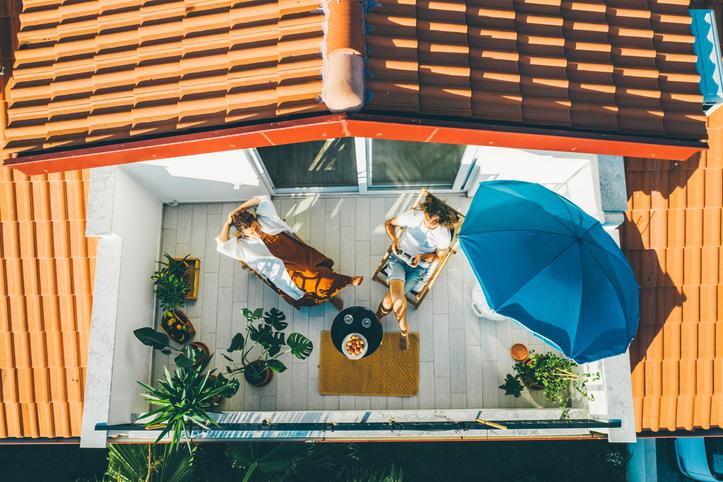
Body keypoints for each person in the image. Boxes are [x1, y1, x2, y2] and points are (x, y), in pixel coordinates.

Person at [217, 196, 362, 309]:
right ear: (243, 233)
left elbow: (262, 199)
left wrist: (238, 210)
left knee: (317, 270)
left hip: (295, 252)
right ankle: (342, 285)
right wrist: (227, 223)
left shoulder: (265, 221)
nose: (257, 233)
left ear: (256, 221)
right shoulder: (243, 245)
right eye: (251, 232)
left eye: (256, 227)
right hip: (283, 270)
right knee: (311, 278)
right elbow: (223, 244)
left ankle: (337, 286)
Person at [376, 195, 459, 350]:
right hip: (399, 260)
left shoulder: (443, 235)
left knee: (389, 300)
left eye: (434, 222)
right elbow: (389, 224)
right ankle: (403, 331)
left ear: (440, 221)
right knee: (395, 298)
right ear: (425, 211)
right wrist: (395, 240)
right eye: (428, 218)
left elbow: (438, 257)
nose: (428, 223)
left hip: (419, 267)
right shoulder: (414, 216)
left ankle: (377, 319)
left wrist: (421, 257)